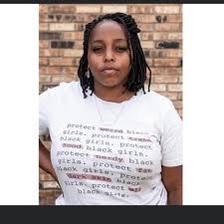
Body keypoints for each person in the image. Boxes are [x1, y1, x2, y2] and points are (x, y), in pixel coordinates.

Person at [39, 12, 183, 205]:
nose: (108, 57)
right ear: (87, 56)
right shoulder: (58, 99)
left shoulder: (160, 109)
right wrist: (57, 171)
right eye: (97, 49)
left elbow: (177, 188)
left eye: (120, 48)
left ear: (134, 55)